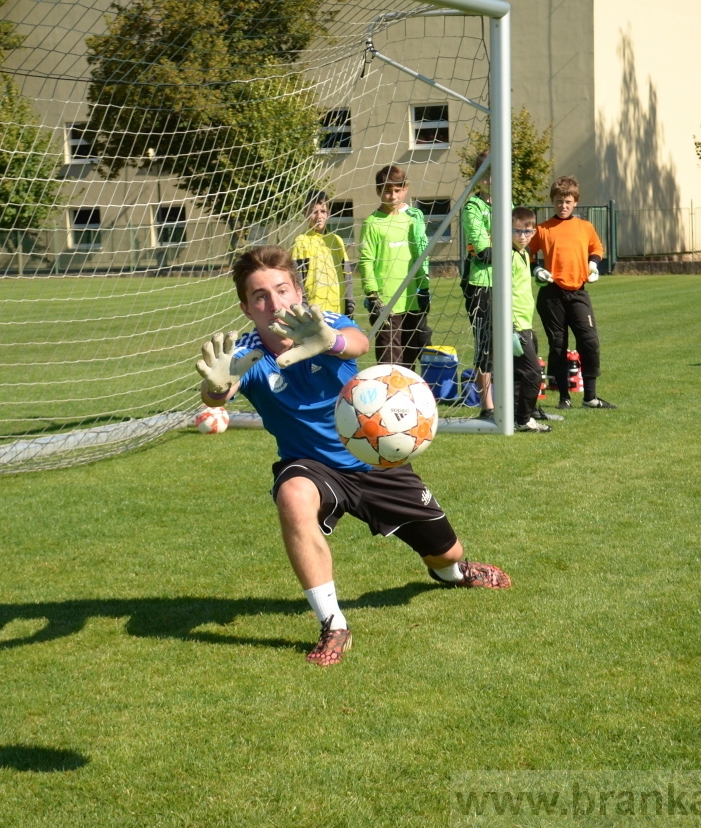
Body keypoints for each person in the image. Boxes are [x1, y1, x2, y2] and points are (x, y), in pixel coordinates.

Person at [196, 246, 511, 667]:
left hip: (373, 457)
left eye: (282, 289)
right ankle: (333, 624)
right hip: (311, 466)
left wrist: (332, 342)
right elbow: (221, 389)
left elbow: (358, 343)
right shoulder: (248, 354)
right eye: (260, 297)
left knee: (447, 553)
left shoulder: (323, 323)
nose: (274, 304)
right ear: (247, 308)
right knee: (292, 496)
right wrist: (217, 389)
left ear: (298, 292)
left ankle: (453, 574)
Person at [529, 175, 616, 409]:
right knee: (558, 344)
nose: (563, 206)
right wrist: (536, 269)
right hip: (551, 295)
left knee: (589, 341)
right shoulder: (543, 229)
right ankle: (564, 397)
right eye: (559, 201)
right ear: (552, 201)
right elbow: (525, 253)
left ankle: (590, 397)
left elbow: (597, 248)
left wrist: (594, 264)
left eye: (567, 201)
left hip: (578, 292)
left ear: (575, 201)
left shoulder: (585, 227)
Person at [359, 165, 431, 370]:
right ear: (378, 191)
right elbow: (365, 261)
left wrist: (424, 287)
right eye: (387, 191)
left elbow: (420, 255)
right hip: (386, 303)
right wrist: (372, 296)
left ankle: (407, 400)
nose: (392, 196)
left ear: (405, 190)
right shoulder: (371, 223)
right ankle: (389, 399)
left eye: (397, 191)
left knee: (411, 355)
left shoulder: (412, 220)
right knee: (390, 358)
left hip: (412, 300)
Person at [509, 207, 554, 432]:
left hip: (526, 323)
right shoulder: (507, 255)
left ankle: (518, 418)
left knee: (520, 375)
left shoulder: (524, 254)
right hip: (515, 325)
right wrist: (509, 326)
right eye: (517, 231)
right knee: (533, 373)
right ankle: (525, 418)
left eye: (527, 232)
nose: (523, 237)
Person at [461, 150, 498, 419]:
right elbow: (484, 253)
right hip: (480, 285)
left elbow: (522, 244)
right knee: (485, 344)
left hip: (508, 284)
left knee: (517, 342)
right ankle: (488, 407)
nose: (491, 177)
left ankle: (517, 401)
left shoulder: (508, 207)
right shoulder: (472, 208)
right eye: (486, 172)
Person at [290, 191, 355, 318]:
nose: (319, 216)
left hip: (338, 311)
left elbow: (346, 274)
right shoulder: (301, 241)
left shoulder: (337, 240)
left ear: (328, 213)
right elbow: (298, 280)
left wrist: (350, 303)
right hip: (314, 313)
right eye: (314, 212)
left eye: (323, 211)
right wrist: (303, 308)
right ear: (305, 213)